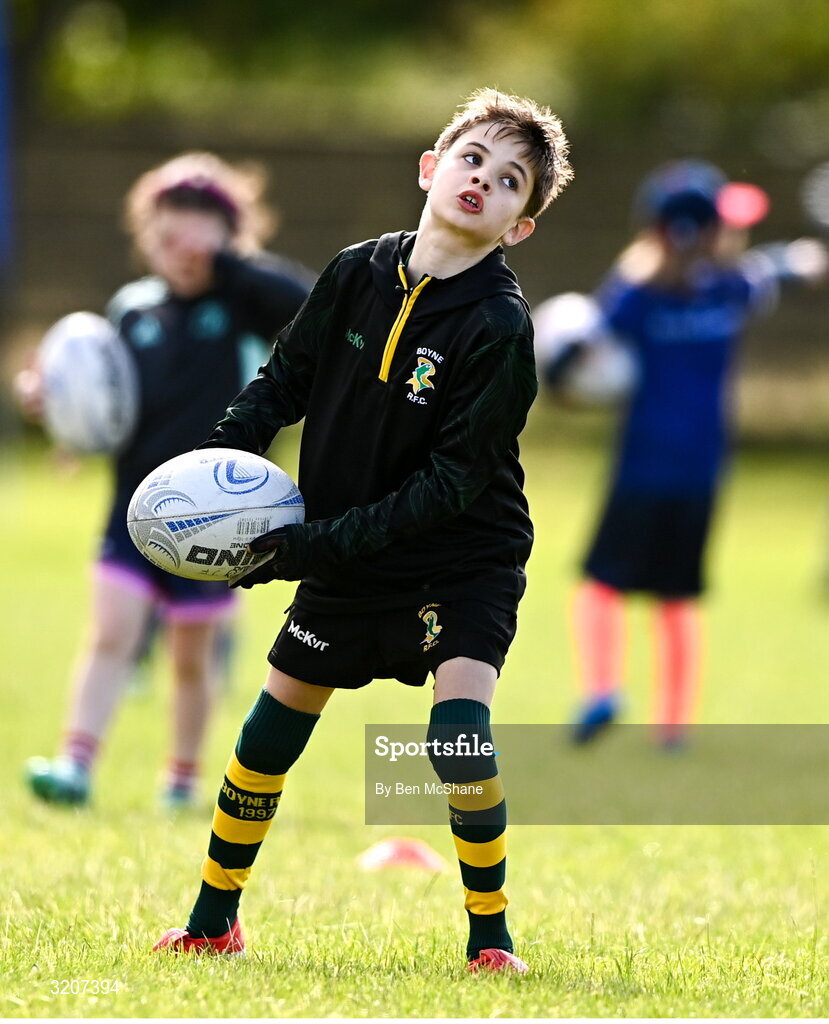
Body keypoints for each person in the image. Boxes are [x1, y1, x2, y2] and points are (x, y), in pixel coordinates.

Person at [152, 88, 573, 973]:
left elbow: (450, 487)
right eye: (471, 161)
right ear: (430, 166)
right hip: (346, 555)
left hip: (458, 559)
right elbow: (284, 380)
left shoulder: (498, 327)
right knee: (270, 732)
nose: (481, 183)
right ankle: (211, 921)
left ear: (517, 227)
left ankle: (490, 941)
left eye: (508, 183)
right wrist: (219, 462)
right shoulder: (354, 272)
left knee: (456, 738)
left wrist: (304, 549)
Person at [17, 151, 315, 808]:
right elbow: (104, 394)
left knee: (189, 657)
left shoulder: (244, 306)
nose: (179, 249)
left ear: (231, 239)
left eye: (197, 234)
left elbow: (308, 308)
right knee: (111, 634)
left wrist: (228, 264)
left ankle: (179, 779)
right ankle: (76, 763)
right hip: (131, 510)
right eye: (166, 233)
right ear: (145, 239)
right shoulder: (132, 310)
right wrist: (57, 408)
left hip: (216, 524)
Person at [562, 160, 826, 746]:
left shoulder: (634, 293)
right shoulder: (734, 286)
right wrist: (804, 259)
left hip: (640, 467)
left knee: (601, 584)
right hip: (701, 471)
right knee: (678, 597)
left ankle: (602, 690)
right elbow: (782, 269)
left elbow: (579, 345)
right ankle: (674, 725)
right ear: (712, 230)